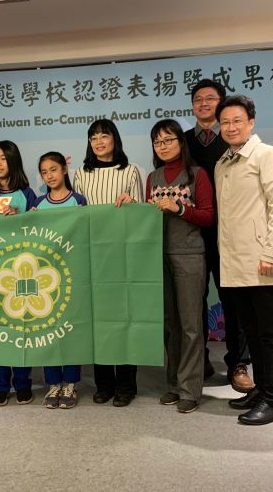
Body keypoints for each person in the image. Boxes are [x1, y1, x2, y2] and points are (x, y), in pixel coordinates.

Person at [215, 95, 273, 425]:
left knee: (270, 334)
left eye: (237, 120)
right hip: (235, 265)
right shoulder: (222, 164)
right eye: (225, 122)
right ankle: (261, 390)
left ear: (251, 122)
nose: (231, 127)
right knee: (252, 332)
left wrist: (271, 253)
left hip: (262, 262)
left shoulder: (267, 155)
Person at [185, 79, 253, 392]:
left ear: (221, 103)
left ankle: (238, 363)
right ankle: (199, 360)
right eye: (198, 99)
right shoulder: (183, 141)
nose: (203, 103)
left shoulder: (232, 138)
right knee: (193, 300)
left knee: (233, 300)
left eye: (210, 98)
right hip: (191, 233)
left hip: (229, 233)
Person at [73, 119, 144, 407]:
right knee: (98, 322)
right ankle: (103, 383)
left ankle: (126, 384)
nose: (99, 142)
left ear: (115, 139)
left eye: (104, 135)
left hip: (123, 256)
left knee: (124, 319)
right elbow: (75, 215)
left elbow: (141, 216)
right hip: (92, 256)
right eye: (93, 137)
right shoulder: (81, 173)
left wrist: (132, 203)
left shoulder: (132, 170)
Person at [147, 119, 214, 413]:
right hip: (158, 256)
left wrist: (179, 208)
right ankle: (173, 384)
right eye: (157, 142)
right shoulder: (153, 177)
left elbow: (208, 216)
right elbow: (146, 216)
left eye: (168, 140)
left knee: (190, 326)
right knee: (169, 324)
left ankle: (190, 389)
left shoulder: (198, 175)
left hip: (189, 255)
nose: (163, 146)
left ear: (180, 142)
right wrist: (132, 204)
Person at [33, 152, 87, 409]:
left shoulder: (78, 201)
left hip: (72, 274)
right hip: (45, 278)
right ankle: (53, 382)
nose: (49, 176)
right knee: (48, 330)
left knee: (70, 330)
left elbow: (84, 235)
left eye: (53, 169)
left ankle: (71, 383)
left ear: (64, 170)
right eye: (44, 172)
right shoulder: (38, 204)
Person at [0, 140, 37, 406]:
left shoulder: (26, 193)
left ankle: (22, 382)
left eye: (3, 158)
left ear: (13, 161)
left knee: (21, 329)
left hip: (20, 270)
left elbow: (37, 226)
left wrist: (20, 215)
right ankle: (0, 383)